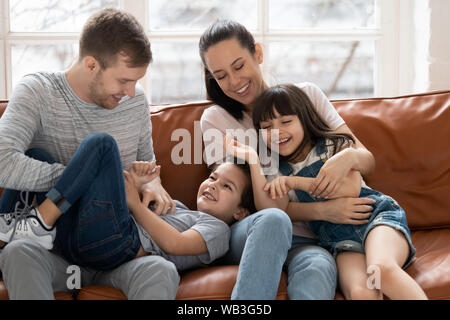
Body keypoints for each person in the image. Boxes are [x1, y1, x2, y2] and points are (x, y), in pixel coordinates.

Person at [0, 8, 178, 300]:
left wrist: (151, 184)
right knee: (18, 252)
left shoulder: (135, 103)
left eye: (136, 81)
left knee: (161, 269)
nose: (132, 92)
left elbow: (147, 169)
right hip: (52, 252)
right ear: (92, 65)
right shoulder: (38, 92)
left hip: (113, 252)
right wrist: (87, 177)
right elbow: (2, 160)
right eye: (123, 81)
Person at [199, 19, 377, 299]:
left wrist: (348, 157)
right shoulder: (216, 120)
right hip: (253, 231)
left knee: (318, 265)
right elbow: (234, 200)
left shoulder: (306, 96)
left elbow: (366, 159)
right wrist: (324, 211)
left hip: (311, 240)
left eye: (239, 66)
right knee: (272, 220)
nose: (233, 82)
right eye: (220, 76)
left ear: (257, 53)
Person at [251, 83, 427, 300]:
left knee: (380, 270)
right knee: (361, 292)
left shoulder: (335, 145)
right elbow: (278, 210)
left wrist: (295, 183)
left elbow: (350, 189)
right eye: (266, 127)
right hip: (340, 242)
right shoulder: (275, 171)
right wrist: (254, 162)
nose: (276, 132)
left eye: (286, 121)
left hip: (377, 219)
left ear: (305, 120)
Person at [0, 133, 255, 274]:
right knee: (36, 157)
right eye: (213, 177)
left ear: (240, 211)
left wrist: (134, 203)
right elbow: (119, 202)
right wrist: (137, 184)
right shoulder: (180, 207)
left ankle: (39, 222)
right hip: (82, 235)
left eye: (226, 187)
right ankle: (10, 239)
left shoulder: (218, 229)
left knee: (102, 144)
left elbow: (174, 244)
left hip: (120, 246)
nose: (213, 185)